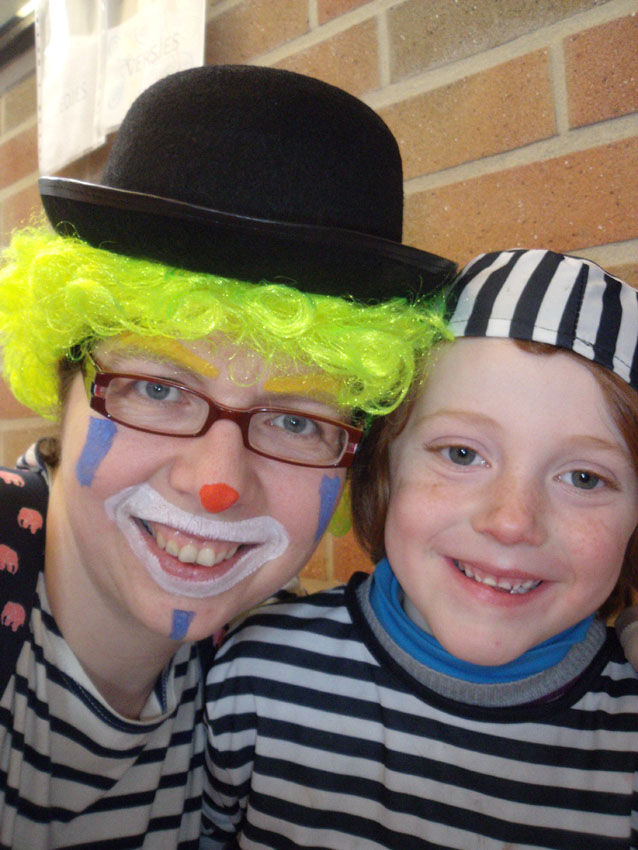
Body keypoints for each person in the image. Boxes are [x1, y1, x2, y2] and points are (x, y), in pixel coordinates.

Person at [0, 64, 456, 848]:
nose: (217, 484)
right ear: (66, 381)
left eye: (297, 422)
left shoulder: (270, 674)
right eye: (157, 389)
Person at [202, 248, 638, 849]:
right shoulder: (258, 676)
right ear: (384, 468)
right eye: (462, 454)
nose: (512, 522)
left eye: (584, 479)